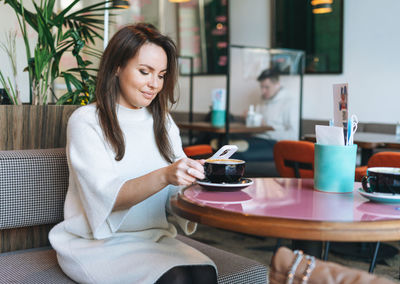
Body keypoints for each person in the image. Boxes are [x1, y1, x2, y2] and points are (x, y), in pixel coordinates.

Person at [49, 23, 217, 284]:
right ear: (117, 67)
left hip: (154, 238)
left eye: (161, 75)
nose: (154, 84)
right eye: (144, 72)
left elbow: (175, 194)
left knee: (204, 274)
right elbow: (109, 198)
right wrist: (166, 175)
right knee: (177, 279)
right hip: (96, 243)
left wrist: (196, 179)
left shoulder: (163, 122)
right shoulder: (86, 121)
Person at [233, 68, 297, 162]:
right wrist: (249, 119)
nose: (263, 91)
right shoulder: (262, 100)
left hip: (275, 144)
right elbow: (256, 127)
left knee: (238, 155)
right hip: (256, 139)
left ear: (277, 85)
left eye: (267, 87)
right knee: (229, 149)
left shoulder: (289, 102)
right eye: (261, 87)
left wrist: (267, 128)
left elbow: (294, 135)